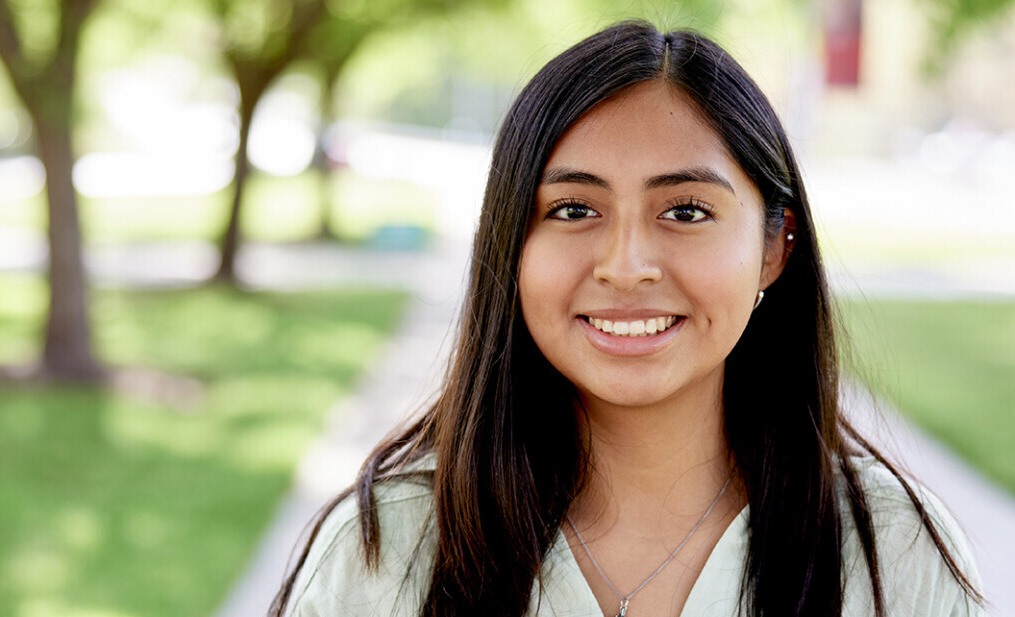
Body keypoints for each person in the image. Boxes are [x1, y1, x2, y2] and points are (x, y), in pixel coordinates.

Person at [269, 20, 985, 617]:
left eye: (686, 211)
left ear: (775, 248)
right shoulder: (381, 549)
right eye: (574, 210)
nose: (627, 264)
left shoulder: (893, 557)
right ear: (509, 243)